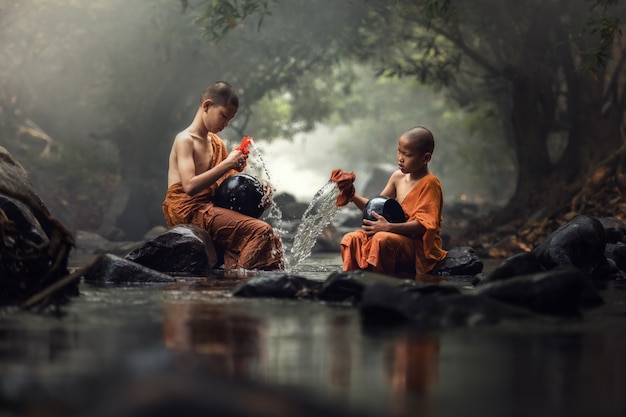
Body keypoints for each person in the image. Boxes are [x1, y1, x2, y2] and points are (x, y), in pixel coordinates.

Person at [162, 81, 284, 270]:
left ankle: (272, 287)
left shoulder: (217, 143)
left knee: (274, 238)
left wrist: (260, 190)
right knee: (262, 231)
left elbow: (227, 185)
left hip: (212, 208)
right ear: (207, 105)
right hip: (190, 212)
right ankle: (236, 281)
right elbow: (190, 186)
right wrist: (228, 163)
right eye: (223, 116)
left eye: (229, 120)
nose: (225, 124)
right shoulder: (185, 140)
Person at [339, 126, 447, 276]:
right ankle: (353, 281)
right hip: (395, 236)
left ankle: (380, 283)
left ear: (425, 158)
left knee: (381, 239)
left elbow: (424, 225)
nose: (400, 158)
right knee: (351, 238)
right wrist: (352, 195)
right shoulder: (397, 177)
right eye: (399, 151)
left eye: (407, 154)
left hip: (416, 245)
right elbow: (375, 209)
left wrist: (388, 227)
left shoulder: (430, 183)